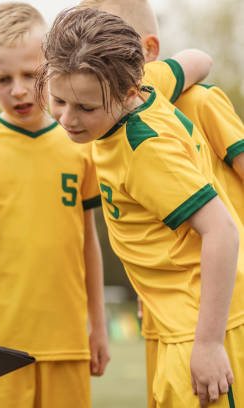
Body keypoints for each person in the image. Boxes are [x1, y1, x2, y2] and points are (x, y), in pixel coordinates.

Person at [38, 6, 244, 407]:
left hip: (195, 327)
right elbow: (199, 60)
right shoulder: (147, 82)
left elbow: (222, 229)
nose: (67, 119)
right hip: (170, 321)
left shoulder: (146, 151)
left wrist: (207, 345)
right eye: (59, 99)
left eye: (86, 108)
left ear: (128, 91)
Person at [0, 3, 108, 407]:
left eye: (31, 75)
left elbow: (87, 240)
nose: (18, 89)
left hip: (67, 340)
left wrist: (98, 325)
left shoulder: (80, 142)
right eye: (3, 78)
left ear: (52, 68)